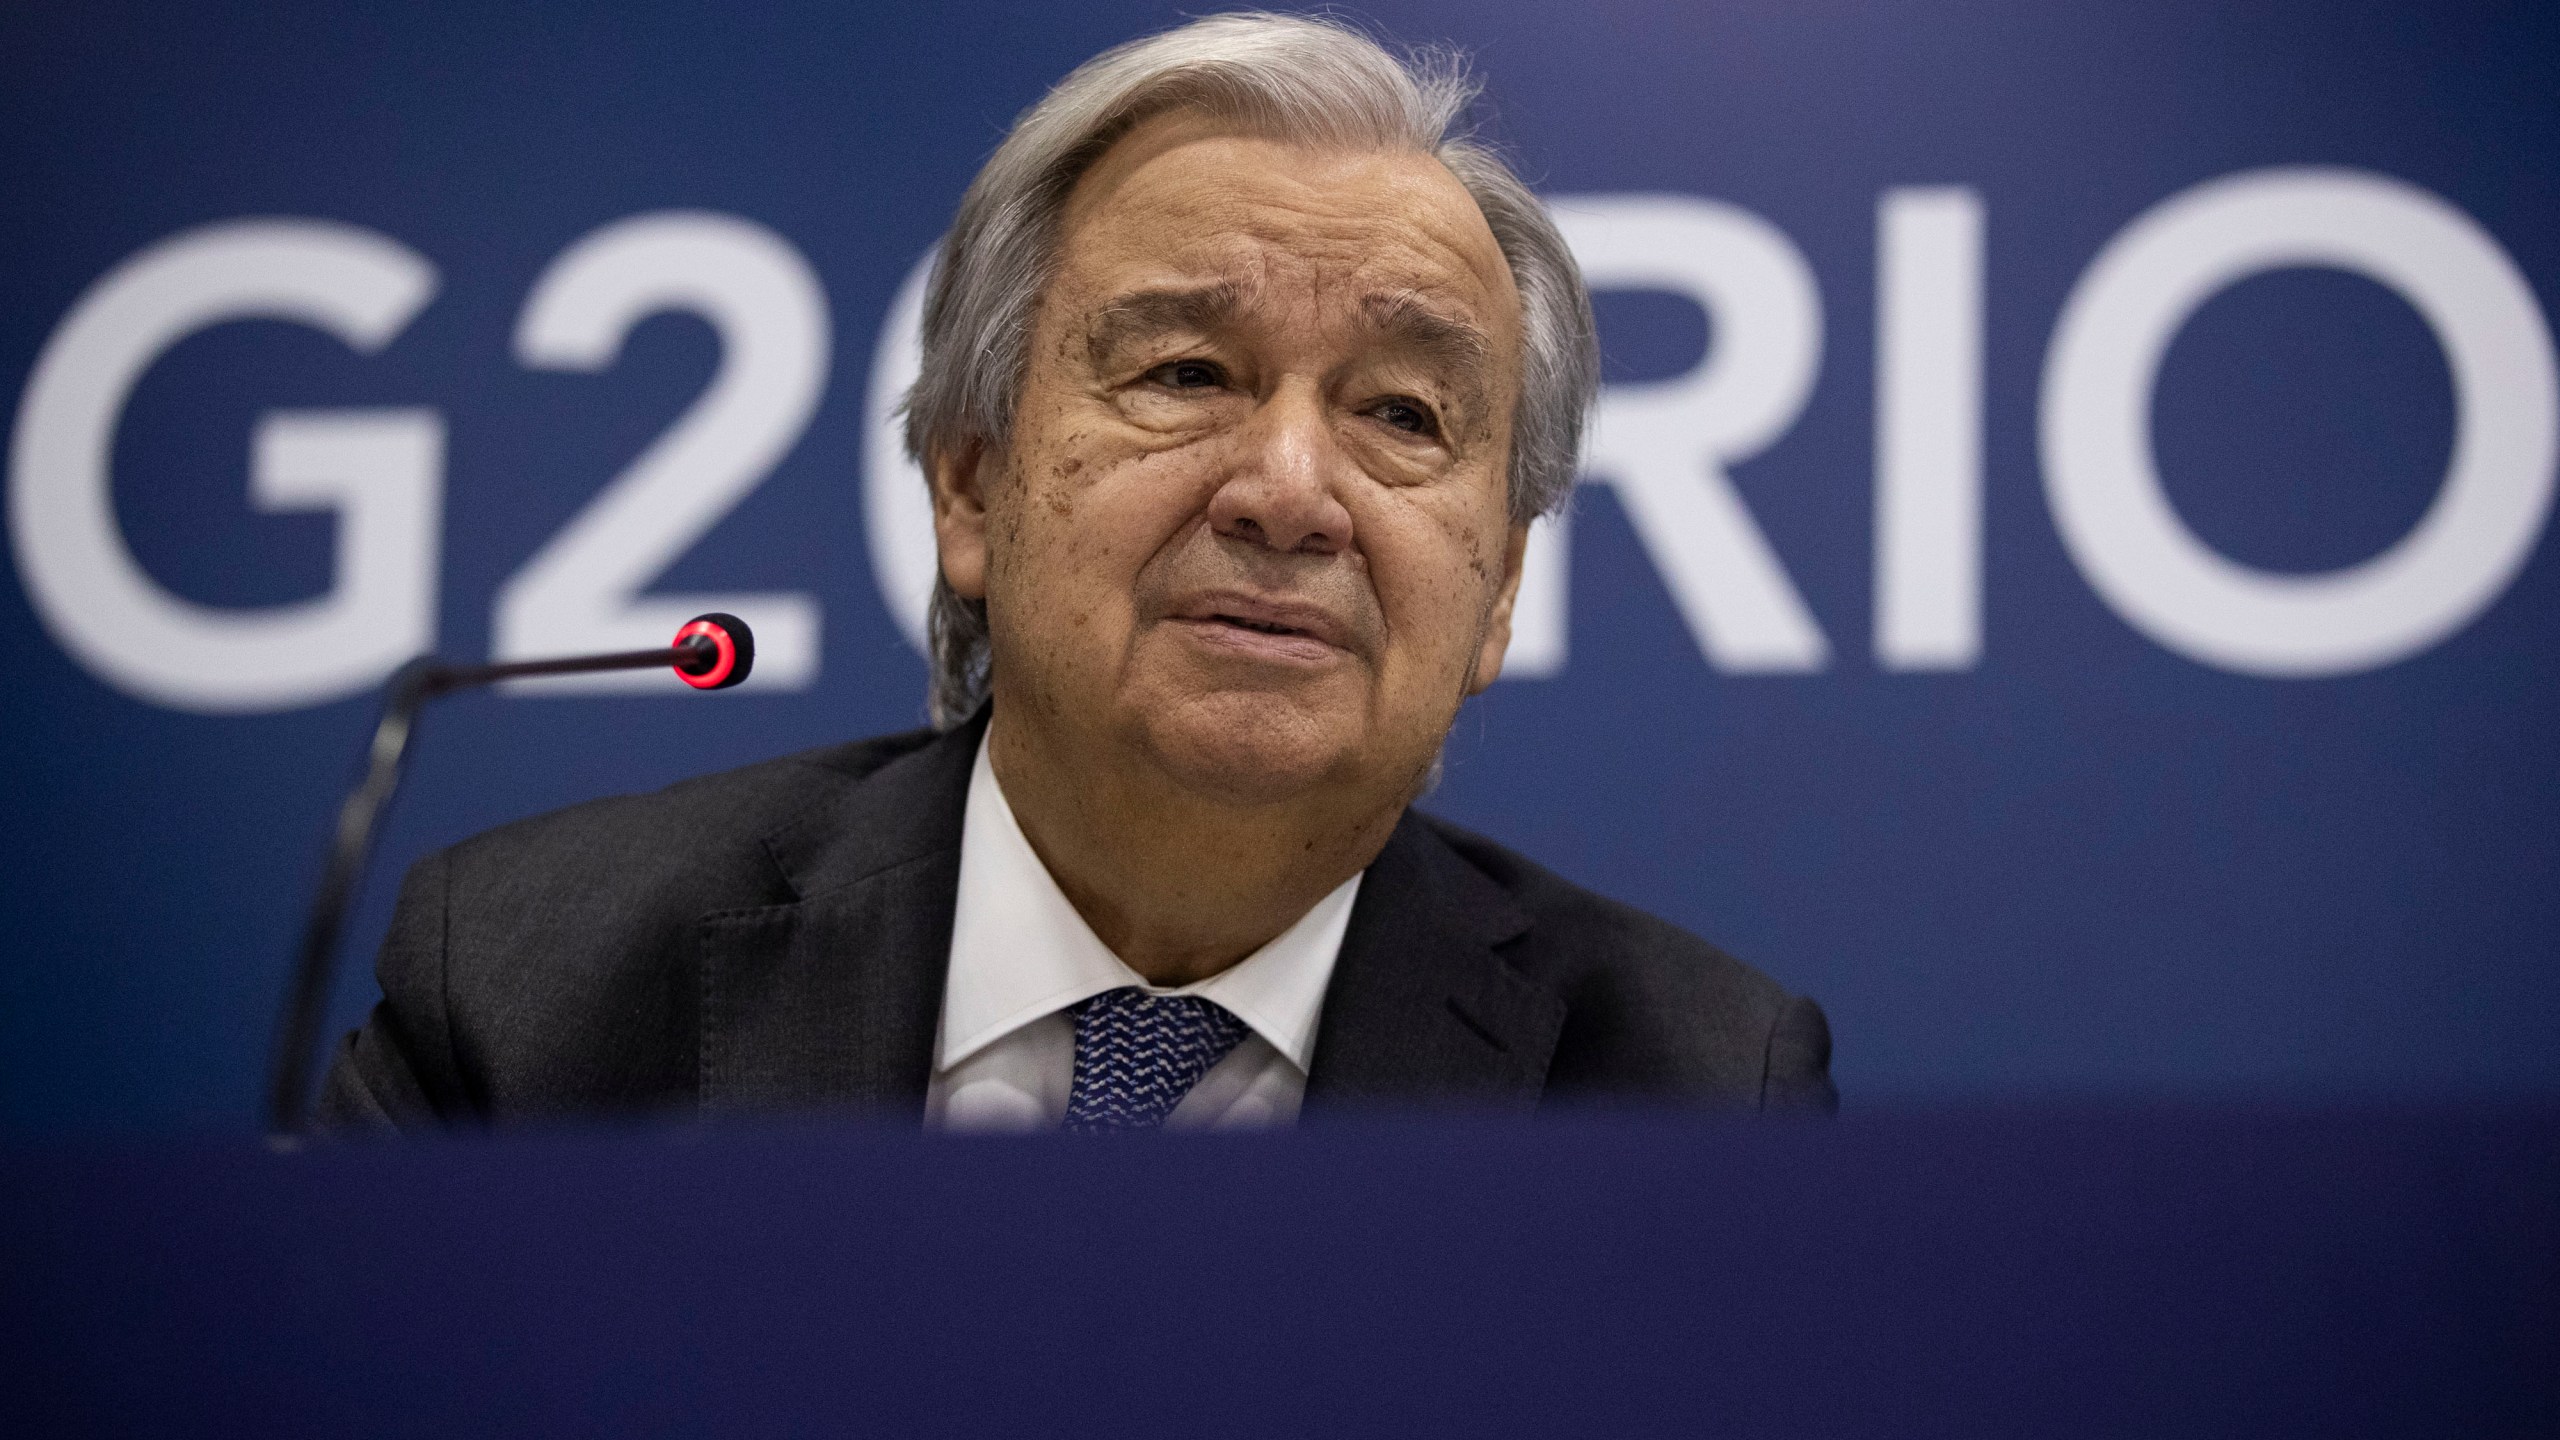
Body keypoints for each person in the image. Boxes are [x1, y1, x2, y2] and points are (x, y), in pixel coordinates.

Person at [319, 11, 1835, 1133]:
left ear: (1499, 588)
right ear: (969, 482)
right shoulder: (538, 998)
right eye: (1185, 373)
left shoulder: (1693, 1098)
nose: (1291, 494)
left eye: (1398, 415)